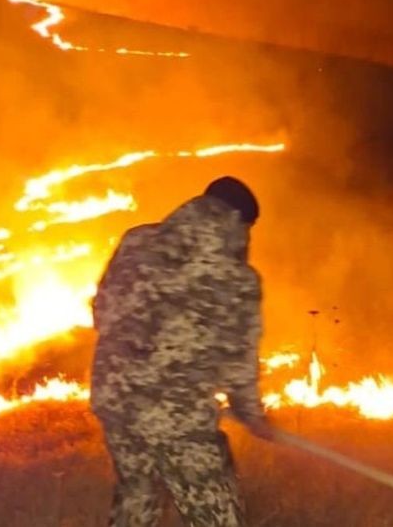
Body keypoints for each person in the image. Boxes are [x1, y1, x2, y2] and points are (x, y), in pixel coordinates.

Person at [91, 176, 273, 527]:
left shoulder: (136, 241)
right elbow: (239, 363)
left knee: (137, 495)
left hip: (114, 399)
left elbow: (102, 311)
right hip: (177, 417)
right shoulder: (238, 278)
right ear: (238, 223)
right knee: (216, 514)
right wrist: (251, 413)